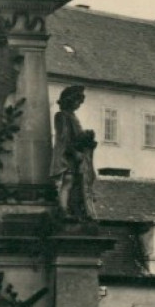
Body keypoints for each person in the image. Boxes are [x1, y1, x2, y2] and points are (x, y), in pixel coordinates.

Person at [52, 84, 98, 221]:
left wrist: (86, 136)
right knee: (68, 181)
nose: (79, 105)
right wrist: (73, 152)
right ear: (69, 100)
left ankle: (71, 210)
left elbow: (76, 136)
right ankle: (63, 211)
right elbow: (64, 138)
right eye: (78, 101)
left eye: (80, 102)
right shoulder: (62, 116)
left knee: (74, 183)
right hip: (67, 155)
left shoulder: (71, 116)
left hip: (74, 154)